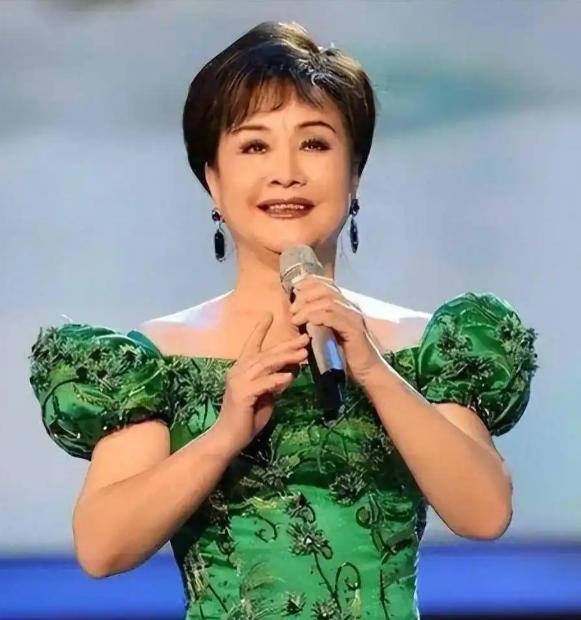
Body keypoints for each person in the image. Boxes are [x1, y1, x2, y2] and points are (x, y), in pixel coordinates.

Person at [28, 21, 539, 620]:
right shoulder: (156, 359)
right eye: (254, 147)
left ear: (354, 174)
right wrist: (224, 435)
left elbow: (484, 515)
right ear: (213, 180)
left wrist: (374, 370)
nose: (286, 172)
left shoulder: (428, 345)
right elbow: (101, 549)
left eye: (315, 144)